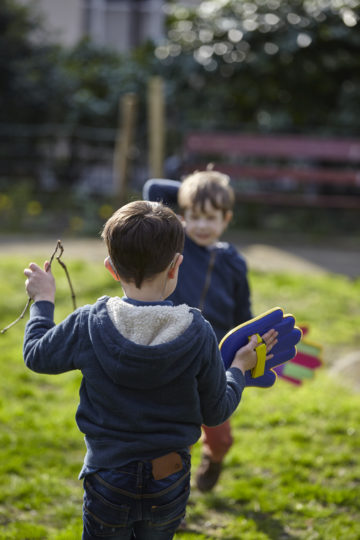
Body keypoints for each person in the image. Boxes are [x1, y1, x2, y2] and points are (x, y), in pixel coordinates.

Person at [23, 200, 277, 540]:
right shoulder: (198, 331)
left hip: (107, 476)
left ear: (111, 269)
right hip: (168, 478)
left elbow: (37, 354)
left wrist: (43, 301)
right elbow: (216, 412)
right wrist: (239, 369)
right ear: (176, 267)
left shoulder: (88, 322)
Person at [143, 170, 253, 492]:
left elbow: (242, 312)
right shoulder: (174, 246)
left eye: (211, 217)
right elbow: (152, 190)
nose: (202, 225)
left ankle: (214, 457)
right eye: (194, 216)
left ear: (226, 218)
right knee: (172, 437)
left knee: (220, 436)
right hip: (172, 356)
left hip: (214, 362)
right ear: (181, 215)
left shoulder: (233, 262)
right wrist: (198, 190)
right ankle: (170, 498)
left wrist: (249, 343)